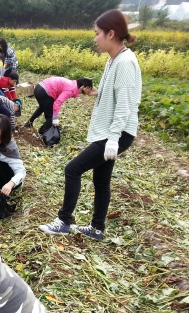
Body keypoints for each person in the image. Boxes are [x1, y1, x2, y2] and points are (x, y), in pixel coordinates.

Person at [40, 10, 142, 240]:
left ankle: (63, 221)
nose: (95, 38)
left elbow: (124, 104)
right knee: (101, 181)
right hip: (108, 131)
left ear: (111, 34)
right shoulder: (113, 59)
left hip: (115, 132)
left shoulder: (125, 62)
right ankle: (97, 229)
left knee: (72, 169)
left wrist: (114, 138)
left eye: (97, 33)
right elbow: (114, 95)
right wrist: (96, 93)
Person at [25, 77, 93, 134]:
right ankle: (42, 132)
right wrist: (55, 119)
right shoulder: (71, 89)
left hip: (39, 87)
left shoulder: (73, 83)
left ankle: (29, 123)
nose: (80, 93)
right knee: (50, 117)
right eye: (81, 92)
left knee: (43, 107)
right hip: (45, 92)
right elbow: (57, 103)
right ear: (81, 87)